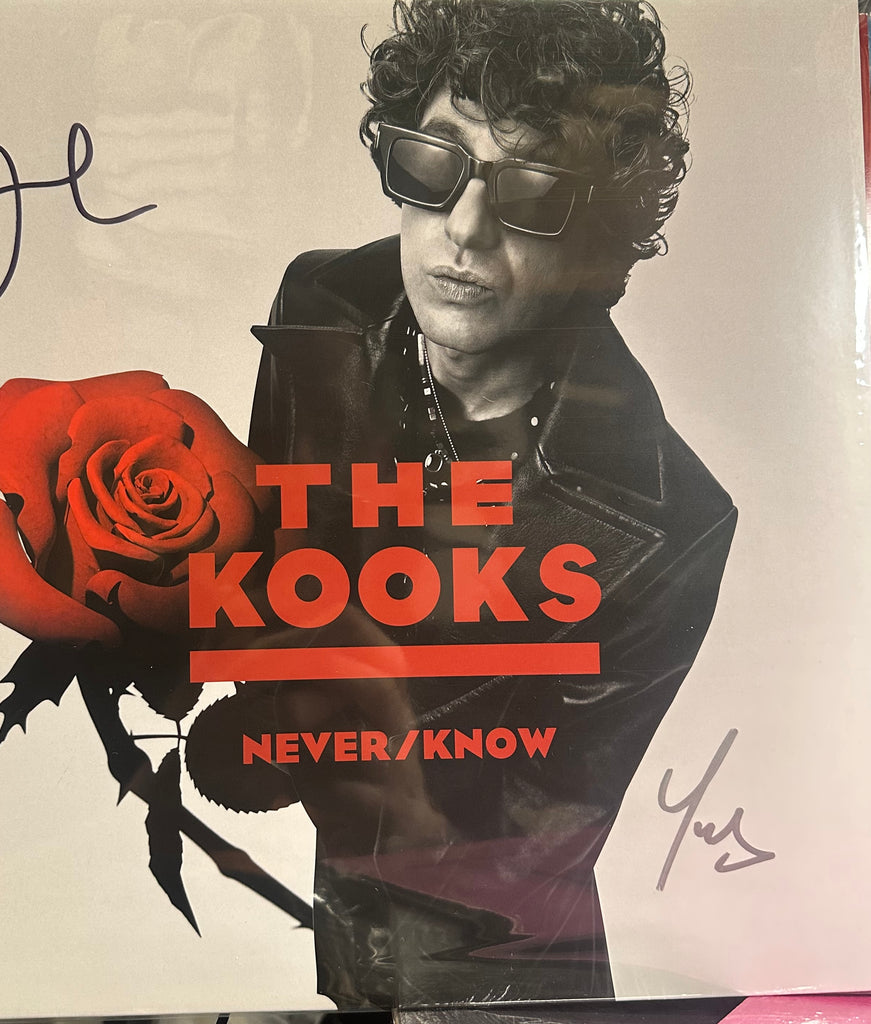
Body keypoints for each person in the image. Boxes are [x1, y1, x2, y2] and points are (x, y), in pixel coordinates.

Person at [240, 0, 736, 1008]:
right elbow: (262, 572)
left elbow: (522, 848)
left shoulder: (668, 523)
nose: (463, 230)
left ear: (599, 238)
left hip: (505, 981)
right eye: (433, 166)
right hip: (341, 924)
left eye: (533, 192)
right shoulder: (321, 306)